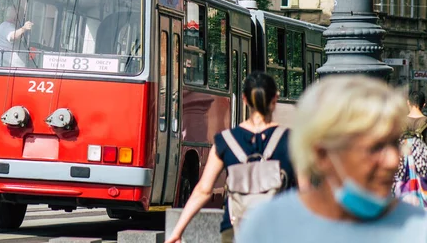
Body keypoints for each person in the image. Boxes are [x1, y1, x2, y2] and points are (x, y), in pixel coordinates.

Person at [236, 75, 427, 243]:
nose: (393, 160)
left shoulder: (419, 228)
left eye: (394, 143)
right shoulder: (268, 227)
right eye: (375, 147)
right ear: (322, 154)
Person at [165, 72, 294, 243]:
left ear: (244, 99)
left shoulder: (225, 141)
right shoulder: (291, 140)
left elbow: (203, 190)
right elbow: (306, 192)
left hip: (235, 231)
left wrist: (177, 231)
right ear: (275, 98)